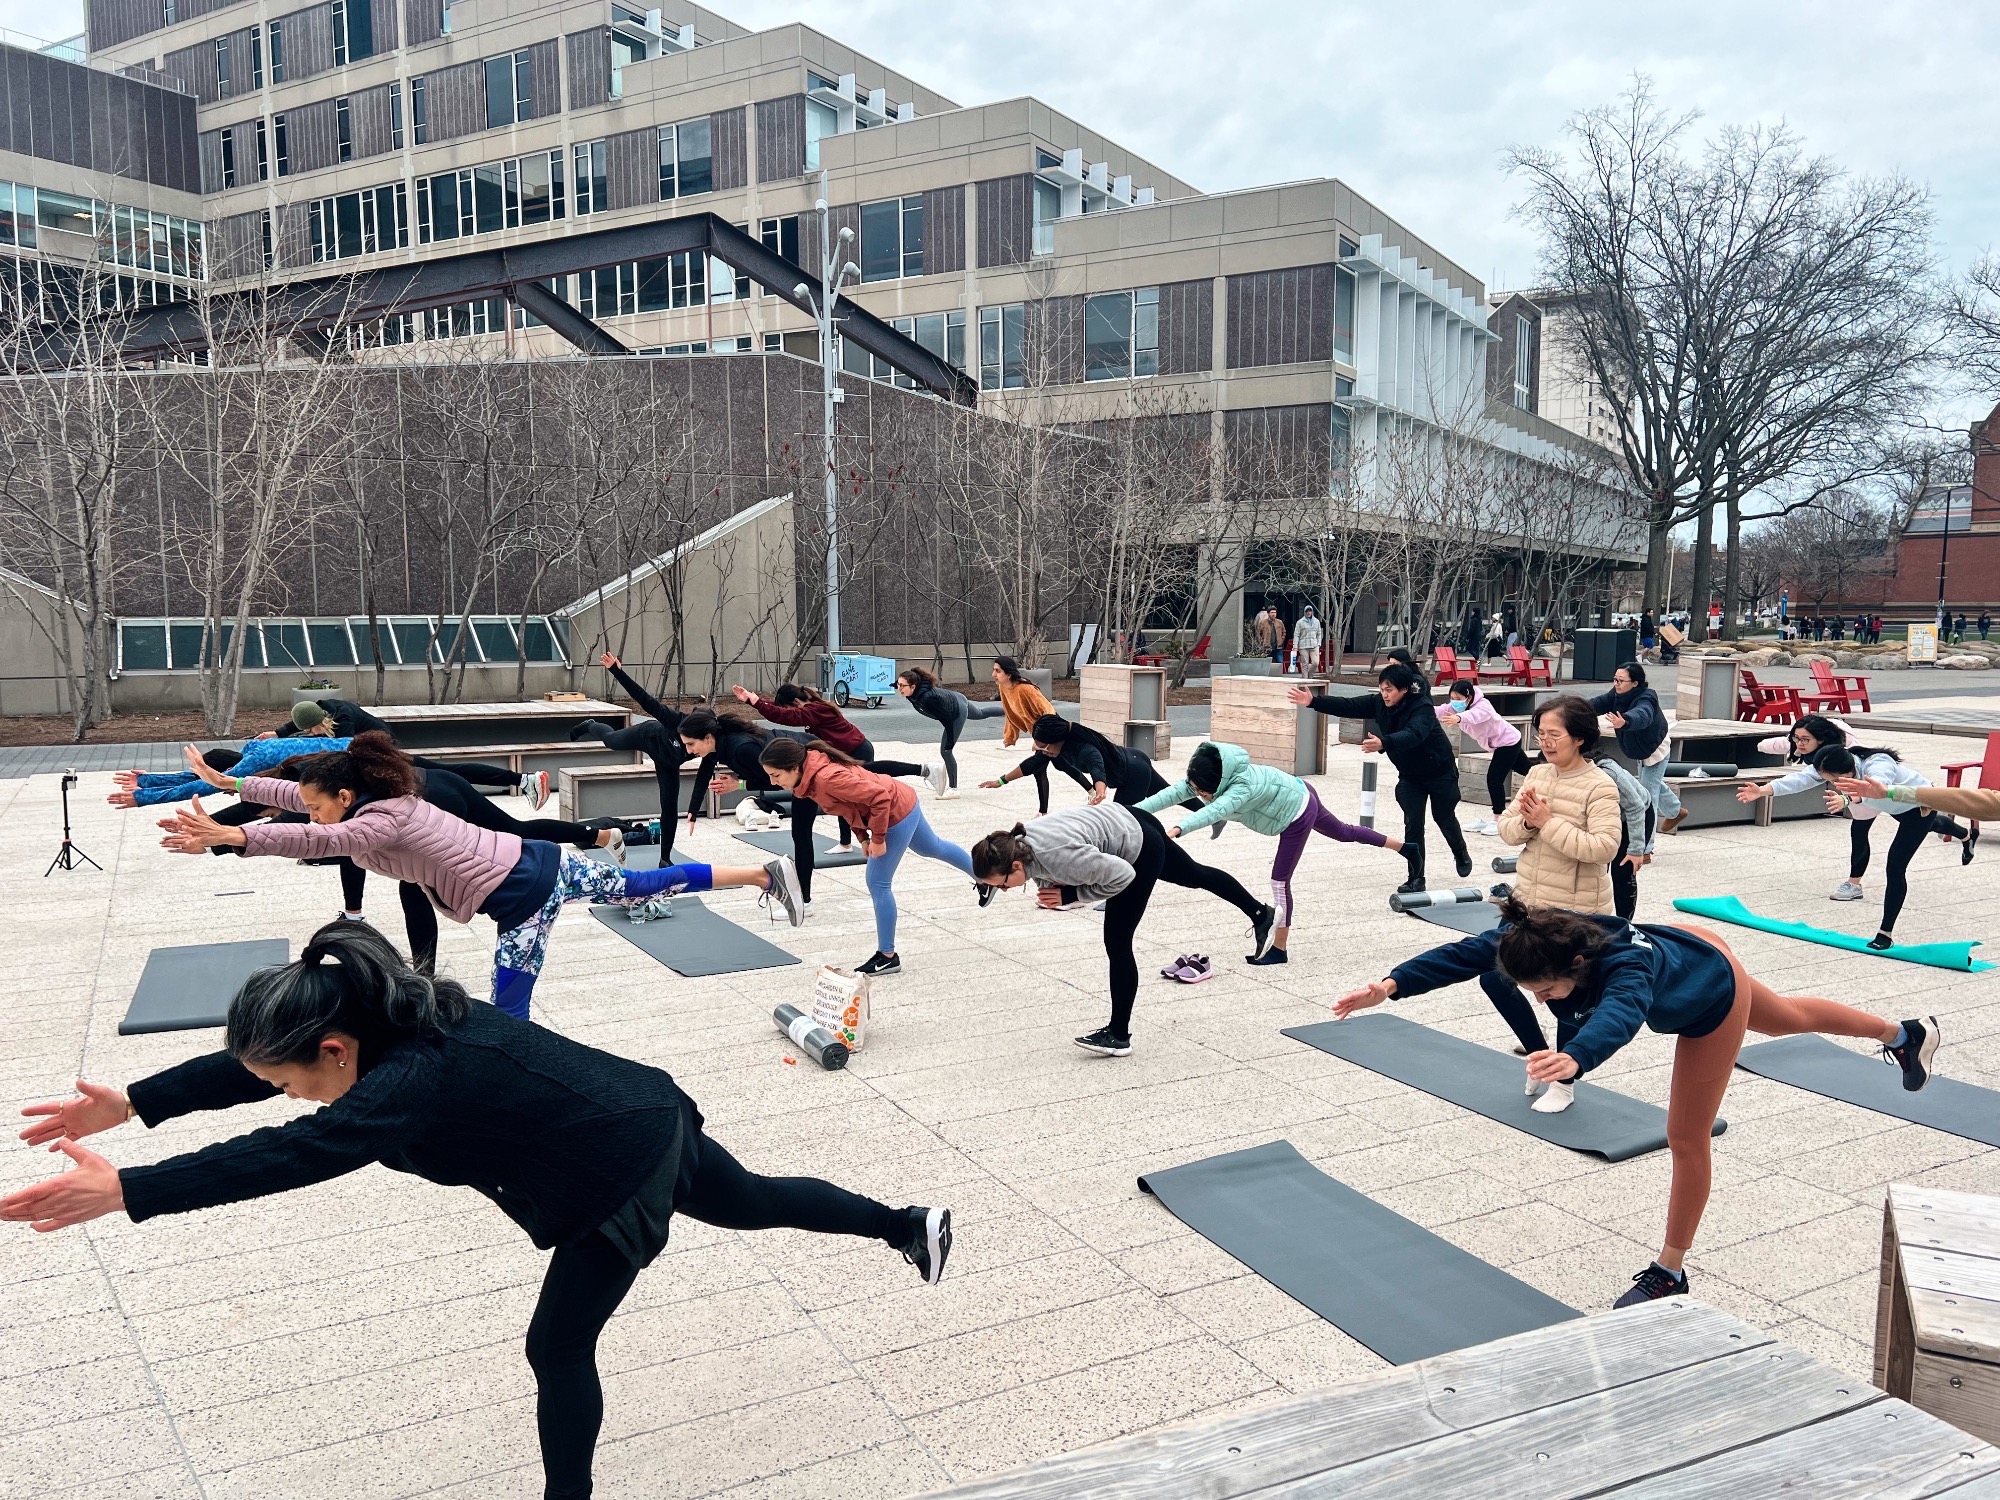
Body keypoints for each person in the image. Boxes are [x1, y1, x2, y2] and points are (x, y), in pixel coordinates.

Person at [2, 921, 950, 1500]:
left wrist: (131, 1187)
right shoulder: (380, 1008)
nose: (284, 1091)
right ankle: (908, 1222)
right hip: (638, 1106)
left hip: (612, 1165)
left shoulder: (404, 1083)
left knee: (556, 1348)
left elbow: (294, 1151)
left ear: (336, 1052)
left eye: (291, 1078)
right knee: (748, 1203)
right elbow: (257, 1078)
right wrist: (133, 1102)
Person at [1333, 894, 1938, 1308]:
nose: (1541, 1001)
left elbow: (1622, 1011)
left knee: (1687, 1137)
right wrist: (1387, 987)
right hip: (1695, 942)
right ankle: (1905, 1034)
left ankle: (1670, 1271)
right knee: (1788, 1017)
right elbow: (1460, 956)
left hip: (1707, 991)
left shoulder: (1625, 966)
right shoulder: (1540, 939)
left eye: (1545, 991)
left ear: (1575, 964)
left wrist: (1577, 1056)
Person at [155, 732, 802, 1019]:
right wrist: (228, 783)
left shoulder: (376, 822)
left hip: (522, 897)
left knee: (512, 1006)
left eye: (324, 804)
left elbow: (320, 832)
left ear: (346, 799)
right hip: (538, 866)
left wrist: (238, 834)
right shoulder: (379, 800)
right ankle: (760, 874)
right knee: (638, 885)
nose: (313, 808)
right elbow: (299, 800)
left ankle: (519, 1092)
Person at [971, 803, 1274, 1056]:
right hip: (1131, 819)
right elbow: (1052, 872)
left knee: (1117, 942)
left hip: (1137, 851)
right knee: (1193, 874)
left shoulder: (1059, 857)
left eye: (1002, 885)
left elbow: (1122, 876)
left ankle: (1118, 1035)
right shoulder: (1019, 844)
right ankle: (1260, 913)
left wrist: (1071, 896)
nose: (1006, 891)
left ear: (1015, 867)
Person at [1484, 698, 1627, 1112]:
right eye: (1540, 733)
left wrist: (1549, 822)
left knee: (1567, 998)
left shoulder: (1600, 785)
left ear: (1579, 738)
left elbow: (1603, 849)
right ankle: (1539, 1057)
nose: (1545, 742)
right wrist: (1530, 822)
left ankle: (1564, 1083)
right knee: (1496, 978)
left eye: (1554, 734)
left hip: (1575, 910)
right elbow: (1508, 830)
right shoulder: (1537, 773)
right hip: (1529, 903)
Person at [1137, 741, 1393, 966]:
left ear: (1220, 783)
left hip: (1296, 813)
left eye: (1203, 791)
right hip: (1300, 789)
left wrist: (1178, 829)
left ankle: (1279, 950)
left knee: (1279, 881)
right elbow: (1167, 795)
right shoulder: (1211, 772)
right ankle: (1406, 849)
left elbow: (1212, 811)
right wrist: (1131, 811)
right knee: (1343, 831)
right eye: (1196, 789)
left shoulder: (1241, 788)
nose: (1199, 795)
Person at [760, 738, 973, 977]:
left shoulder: (826, 779)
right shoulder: (811, 775)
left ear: (794, 767)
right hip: (904, 799)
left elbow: (879, 798)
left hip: (895, 812)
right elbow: (848, 807)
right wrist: (862, 838)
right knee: (932, 847)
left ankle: (887, 957)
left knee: (878, 883)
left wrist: (879, 840)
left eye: (776, 775)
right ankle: (984, 875)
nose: (772, 782)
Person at [1738, 743, 1975, 950]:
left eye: (1836, 780)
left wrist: (1848, 799)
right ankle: (1966, 835)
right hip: (1894, 806)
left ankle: (1885, 934)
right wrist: (1764, 790)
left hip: (1918, 803)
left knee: (1895, 867)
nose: (1835, 784)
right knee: (1934, 825)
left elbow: (1878, 788)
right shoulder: (1834, 762)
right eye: (1830, 781)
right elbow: (1800, 779)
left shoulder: (1878, 764)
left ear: (1849, 769)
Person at [1289, 662, 1468, 892]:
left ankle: (1460, 852)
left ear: (1404, 690)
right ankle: (1417, 878)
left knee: (1443, 817)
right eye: (1382, 689)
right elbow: (1349, 705)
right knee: (1413, 825)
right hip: (1411, 776)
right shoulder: (1379, 703)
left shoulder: (1421, 707)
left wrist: (1385, 742)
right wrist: (1314, 702)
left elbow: (1414, 734)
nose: (1384, 695)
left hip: (1440, 773)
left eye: (1389, 690)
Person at [679, 707, 832, 913]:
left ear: (707, 738)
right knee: (802, 836)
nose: (689, 751)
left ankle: (804, 903)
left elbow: (777, 781)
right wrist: (693, 810)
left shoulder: (741, 748)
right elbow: (704, 773)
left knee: (802, 836)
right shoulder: (720, 743)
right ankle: (804, 900)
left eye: (691, 744)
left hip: (805, 768)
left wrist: (739, 784)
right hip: (798, 767)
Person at [283, 698, 544, 807]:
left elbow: (342, 749)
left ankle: (522, 780)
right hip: (375, 752)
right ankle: (522, 780)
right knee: (444, 771)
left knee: (446, 771)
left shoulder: (342, 718)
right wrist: (276, 734)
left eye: (313, 730)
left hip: (383, 749)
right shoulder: (323, 712)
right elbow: (300, 723)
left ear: (321, 721)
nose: (313, 735)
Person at [1746, 714, 1870, 901]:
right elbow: (1792, 762)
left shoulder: (1844, 754)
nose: (1799, 744)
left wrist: (1845, 800)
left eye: (1804, 739)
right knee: (1860, 830)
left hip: (1868, 790)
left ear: (1821, 740)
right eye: (1796, 738)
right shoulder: (1801, 743)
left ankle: (1929, 817)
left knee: (1899, 814)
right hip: (1858, 797)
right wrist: (1757, 746)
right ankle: (1854, 884)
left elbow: (1858, 781)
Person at [984, 714, 1189, 812]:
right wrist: (1000, 781)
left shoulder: (1084, 749)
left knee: (1119, 817)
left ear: (1057, 740)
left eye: (1044, 747)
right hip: (1132, 758)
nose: (1043, 752)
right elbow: (1031, 765)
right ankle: (1214, 814)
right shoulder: (1056, 750)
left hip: (1134, 772)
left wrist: (1099, 790)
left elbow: (1096, 765)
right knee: (1173, 795)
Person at [107, 725, 350, 807]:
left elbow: (207, 785)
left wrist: (145, 798)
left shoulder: (252, 762)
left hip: (355, 751)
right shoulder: (251, 748)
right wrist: (147, 780)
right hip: (352, 743)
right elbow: (204, 777)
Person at [1589, 662, 1685, 843]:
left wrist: (1625, 721)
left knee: (1648, 797)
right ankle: (1675, 811)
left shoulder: (1647, 697)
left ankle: (1646, 847)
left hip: (1656, 748)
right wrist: (1572, 708)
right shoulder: (1616, 695)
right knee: (1650, 784)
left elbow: (1643, 714)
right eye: (1615, 679)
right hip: (1639, 748)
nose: (1616, 684)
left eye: (1621, 680)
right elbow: (1597, 703)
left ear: (1635, 683)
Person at [1438, 679, 1531, 837]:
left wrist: (1459, 718)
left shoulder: (1483, 705)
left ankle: (1499, 820)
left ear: (1469, 698)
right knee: (1528, 771)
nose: (1454, 702)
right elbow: (1437, 710)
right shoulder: (1454, 708)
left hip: (1507, 742)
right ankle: (1551, 775)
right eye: (1452, 698)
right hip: (1500, 744)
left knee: (1494, 779)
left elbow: (1475, 716)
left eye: (1458, 699)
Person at [896, 666, 1004, 797]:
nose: (899, 688)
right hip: (958, 697)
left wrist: (950, 741)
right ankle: (1013, 712)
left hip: (956, 712)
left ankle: (953, 789)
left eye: (902, 686)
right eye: (898, 684)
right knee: (980, 713)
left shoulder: (928, 699)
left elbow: (946, 720)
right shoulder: (912, 690)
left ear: (913, 686)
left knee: (946, 752)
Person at [989, 657, 1062, 815]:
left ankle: (1094, 792)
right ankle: (1044, 812)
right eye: (994, 670)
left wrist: (1045, 738)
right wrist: (1010, 736)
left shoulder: (1025, 689)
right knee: (1051, 767)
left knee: (1042, 765)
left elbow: (1048, 709)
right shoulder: (1004, 688)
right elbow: (1010, 713)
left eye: (998, 671)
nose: (993, 674)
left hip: (1052, 728)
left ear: (1008, 674)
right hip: (1039, 733)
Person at [1293, 606, 1325, 676]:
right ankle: (1305, 681)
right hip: (1303, 646)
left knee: (1315, 663)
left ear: (1312, 612)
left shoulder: (1316, 621)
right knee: (1305, 664)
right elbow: (1296, 635)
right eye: (1307, 611)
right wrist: (1295, 646)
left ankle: (1309, 676)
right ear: (1304, 612)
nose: (1308, 613)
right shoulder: (1300, 622)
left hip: (1314, 645)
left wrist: (1318, 644)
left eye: (1310, 611)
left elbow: (1319, 634)